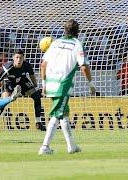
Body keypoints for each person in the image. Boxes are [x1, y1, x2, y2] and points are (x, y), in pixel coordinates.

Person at [39, 19, 96, 155]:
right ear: (78, 32)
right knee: (57, 114)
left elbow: (43, 65)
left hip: (50, 82)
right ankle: (44, 147)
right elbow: (83, 66)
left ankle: (72, 146)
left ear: (64, 30)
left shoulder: (55, 43)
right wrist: (90, 84)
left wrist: (43, 84)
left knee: (63, 114)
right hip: (62, 84)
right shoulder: (77, 44)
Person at [0, 49, 46, 132]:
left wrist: (36, 88)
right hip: (9, 83)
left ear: (23, 58)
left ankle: (38, 122)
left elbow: (32, 76)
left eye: (21, 58)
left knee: (37, 96)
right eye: (17, 57)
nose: (19, 60)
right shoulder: (7, 67)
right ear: (13, 58)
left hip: (22, 81)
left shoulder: (27, 65)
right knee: (4, 101)